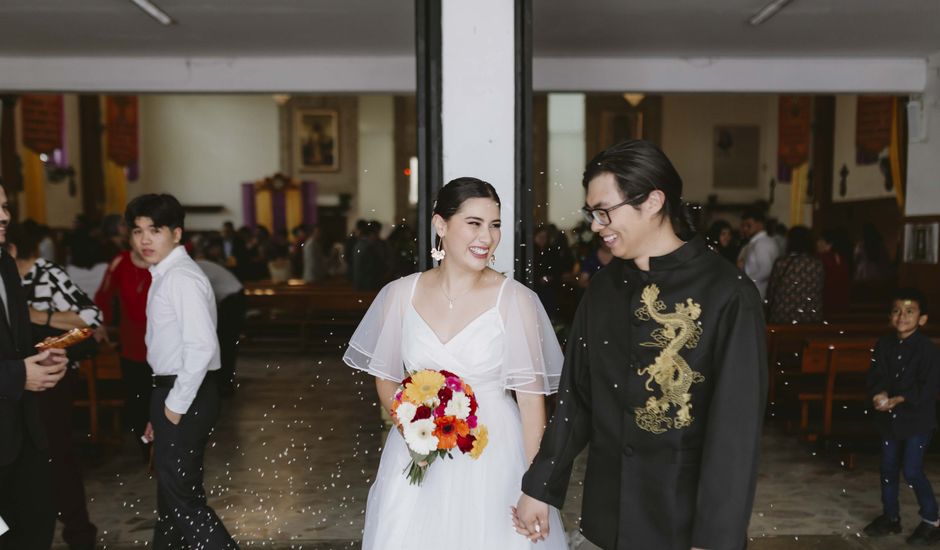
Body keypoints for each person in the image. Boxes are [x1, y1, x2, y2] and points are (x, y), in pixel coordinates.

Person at [514, 140, 767, 550]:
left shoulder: (727, 293)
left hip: (680, 520)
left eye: (604, 211)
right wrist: (540, 485)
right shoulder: (603, 288)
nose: (597, 225)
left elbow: (734, 435)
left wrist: (715, 538)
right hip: (607, 514)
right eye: (592, 213)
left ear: (653, 201)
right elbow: (577, 397)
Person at [343, 177, 567, 549]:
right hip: (421, 453)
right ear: (440, 225)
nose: (487, 237)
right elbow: (385, 379)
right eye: (474, 223)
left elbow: (530, 403)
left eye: (495, 225)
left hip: (496, 453)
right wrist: (416, 430)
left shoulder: (516, 301)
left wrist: (536, 487)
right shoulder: (400, 294)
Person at [125, 194, 238, 549]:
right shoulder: (166, 274)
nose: (144, 239)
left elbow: (201, 347)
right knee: (170, 504)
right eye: (137, 230)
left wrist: (172, 408)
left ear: (176, 233)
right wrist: (159, 411)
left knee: (183, 501)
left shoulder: (181, 278)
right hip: (174, 390)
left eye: (154, 230)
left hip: (185, 392)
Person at [8, 223, 103, 550]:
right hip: (15, 381)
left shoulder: (44, 273)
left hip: (51, 379)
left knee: (56, 457)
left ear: (14, 249)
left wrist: (37, 316)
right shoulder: (7, 277)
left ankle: (78, 533)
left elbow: (92, 318)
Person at [0, 183, 70, 550]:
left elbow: (17, 338)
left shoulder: (5, 263)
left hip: (24, 433)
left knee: (36, 528)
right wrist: (17, 374)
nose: (5, 216)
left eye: (6, 206)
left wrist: (46, 353)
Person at [864, 288, 940, 545]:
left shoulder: (928, 350)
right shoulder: (883, 344)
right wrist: (879, 393)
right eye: (896, 311)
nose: (902, 316)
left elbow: (927, 386)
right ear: (890, 316)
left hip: (917, 420)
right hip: (889, 421)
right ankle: (891, 517)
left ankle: (932, 519)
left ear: (922, 319)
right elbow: (876, 375)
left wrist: (900, 398)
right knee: (887, 468)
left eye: (910, 311)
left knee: (912, 470)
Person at [94, 236, 153, 461]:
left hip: (164, 347)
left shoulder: (165, 262)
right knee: (137, 401)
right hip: (132, 344)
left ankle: (164, 451)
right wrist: (101, 323)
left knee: (161, 400)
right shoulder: (121, 262)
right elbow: (103, 295)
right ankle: (147, 450)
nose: (143, 239)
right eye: (137, 232)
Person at [192, 236, 245, 395]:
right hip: (234, 299)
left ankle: (225, 384)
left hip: (233, 301)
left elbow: (204, 296)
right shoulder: (200, 265)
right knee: (225, 343)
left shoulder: (196, 268)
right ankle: (224, 382)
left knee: (226, 343)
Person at [765, 225, 825, 324]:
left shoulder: (782, 262)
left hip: (783, 315)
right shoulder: (817, 264)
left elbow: (772, 290)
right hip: (810, 316)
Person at [737, 209, 780, 300]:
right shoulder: (758, 242)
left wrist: (746, 281)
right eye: (743, 225)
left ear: (759, 225)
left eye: (748, 225)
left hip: (759, 293)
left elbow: (766, 270)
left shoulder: (762, 243)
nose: (745, 229)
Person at [816, 229, 851, 316]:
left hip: (825, 304)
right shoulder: (841, 258)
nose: (817, 243)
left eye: (820, 240)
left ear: (829, 243)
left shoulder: (821, 258)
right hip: (841, 304)